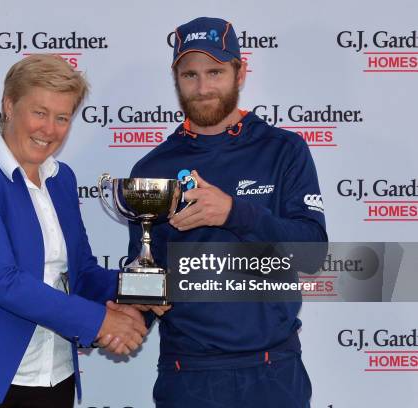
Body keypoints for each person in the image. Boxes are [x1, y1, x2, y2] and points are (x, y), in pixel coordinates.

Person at [0, 54, 148, 408]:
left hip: (53, 377)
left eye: (62, 118)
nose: (49, 129)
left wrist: (141, 292)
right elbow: (3, 281)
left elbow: (81, 272)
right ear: (9, 105)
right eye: (39, 113)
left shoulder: (62, 179)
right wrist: (102, 322)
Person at [128, 17, 328, 408]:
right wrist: (131, 316)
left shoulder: (284, 150)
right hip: (189, 375)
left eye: (215, 72)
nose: (203, 88)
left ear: (241, 71)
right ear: (176, 77)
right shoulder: (153, 169)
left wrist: (234, 212)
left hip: (274, 372)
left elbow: (312, 254)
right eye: (191, 74)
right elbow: (147, 269)